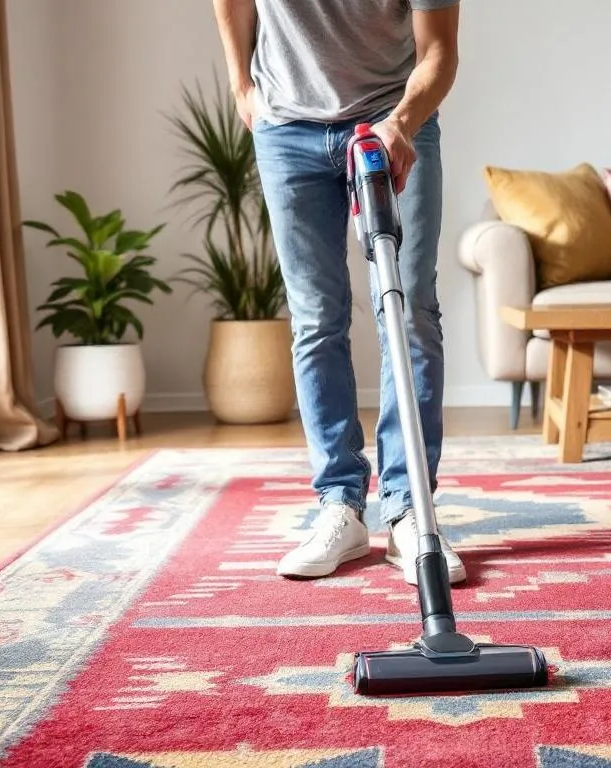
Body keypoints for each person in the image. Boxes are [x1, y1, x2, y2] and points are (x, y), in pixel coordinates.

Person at [211, 0, 462, 584]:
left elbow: (439, 52)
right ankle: (340, 507)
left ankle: (409, 513)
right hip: (286, 129)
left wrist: (402, 122)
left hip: (394, 122)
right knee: (316, 318)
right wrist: (241, 85)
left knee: (410, 311)